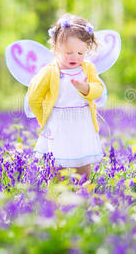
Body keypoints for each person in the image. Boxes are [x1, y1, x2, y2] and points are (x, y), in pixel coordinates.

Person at [28, 13, 104, 184]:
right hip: (59, 123)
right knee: (57, 161)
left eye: (80, 52)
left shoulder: (88, 68)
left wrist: (86, 89)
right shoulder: (50, 71)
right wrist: (44, 118)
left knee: (83, 160)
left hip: (82, 121)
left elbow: (99, 89)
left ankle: (84, 191)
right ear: (56, 46)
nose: (75, 57)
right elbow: (34, 97)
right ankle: (58, 193)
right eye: (69, 52)